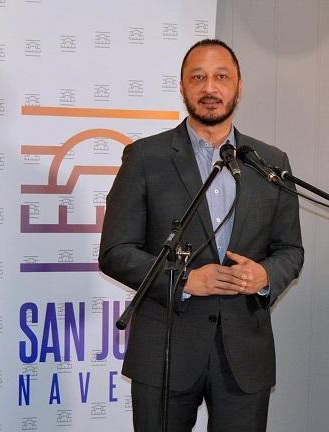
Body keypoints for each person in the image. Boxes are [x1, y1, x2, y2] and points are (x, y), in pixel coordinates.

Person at [99, 39, 303, 432]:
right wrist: (186, 280)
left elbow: (290, 250)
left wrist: (264, 277)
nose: (210, 88)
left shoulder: (270, 163)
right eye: (198, 77)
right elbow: (115, 251)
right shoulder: (145, 157)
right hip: (166, 348)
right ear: (182, 87)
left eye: (221, 77)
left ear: (239, 87)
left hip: (245, 355)